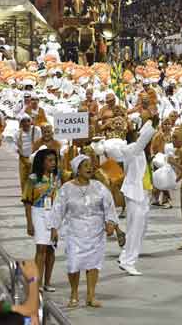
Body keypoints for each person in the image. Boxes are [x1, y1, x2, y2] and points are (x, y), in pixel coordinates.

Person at [49, 155, 118, 308]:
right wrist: (54, 228)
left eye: (90, 165)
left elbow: (109, 205)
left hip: (96, 231)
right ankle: (74, 294)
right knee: (74, 262)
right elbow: (58, 209)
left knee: (94, 263)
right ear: (77, 169)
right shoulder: (66, 188)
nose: (89, 168)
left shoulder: (99, 186)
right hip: (74, 231)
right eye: (85, 165)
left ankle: (91, 296)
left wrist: (111, 222)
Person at [117, 114, 156, 276]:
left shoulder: (141, 152)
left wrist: (149, 121)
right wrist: (153, 124)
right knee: (135, 230)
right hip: (134, 195)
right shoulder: (130, 150)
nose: (140, 137)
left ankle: (124, 256)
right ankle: (129, 262)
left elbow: (144, 135)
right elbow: (144, 138)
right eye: (137, 135)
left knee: (141, 229)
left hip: (144, 194)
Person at [22, 148, 60, 292]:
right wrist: (29, 223)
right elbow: (27, 201)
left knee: (51, 249)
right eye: (49, 160)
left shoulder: (57, 177)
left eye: (54, 160)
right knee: (41, 248)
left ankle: (47, 283)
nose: (53, 163)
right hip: (38, 213)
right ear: (41, 162)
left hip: (53, 214)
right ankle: (36, 283)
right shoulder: (33, 179)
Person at [15, 115, 42, 190]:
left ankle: (34, 195)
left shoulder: (37, 130)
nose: (26, 123)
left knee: (34, 177)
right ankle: (25, 196)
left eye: (28, 121)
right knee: (23, 178)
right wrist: (17, 150)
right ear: (21, 123)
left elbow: (40, 141)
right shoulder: (17, 133)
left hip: (35, 158)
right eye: (23, 121)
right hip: (23, 159)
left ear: (31, 122)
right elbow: (14, 144)